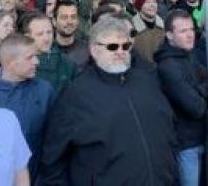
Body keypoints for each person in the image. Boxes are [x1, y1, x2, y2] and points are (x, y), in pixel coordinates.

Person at [37, 14, 177, 185]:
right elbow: (53, 158)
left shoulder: (147, 81)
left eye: (125, 46)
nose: (120, 52)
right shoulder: (76, 94)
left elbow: (168, 129)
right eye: (112, 46)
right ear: (94, 50)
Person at [154, 10, 208, 186]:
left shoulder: (188, 55)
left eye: (191, 30)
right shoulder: (168, 67)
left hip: (200, 138)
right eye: (183, 31)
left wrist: (197, 90)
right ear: (170, 35)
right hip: (185, 145)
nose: (190, 35)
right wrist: (201, 91)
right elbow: (197, 108)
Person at [0, 34, 55, 181]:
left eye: (36, 56)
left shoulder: (44, 91)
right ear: (9, 63)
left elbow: (55, 138)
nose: (37, 62)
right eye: (30, 57)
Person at [20, 12, 76, 94]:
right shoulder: (19, 65)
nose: (46, 38)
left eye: (49, 32)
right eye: (40, 34)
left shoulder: (67, 64)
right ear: (27, 37)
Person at [53, 0, 89, 69]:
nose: (69, 22)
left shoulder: (87, 50)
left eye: (73, 17)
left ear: (78, 20)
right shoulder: (46, 51)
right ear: (54, 21)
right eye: (64, 17)